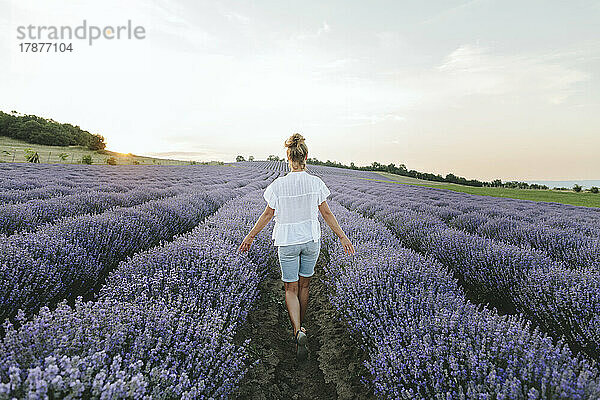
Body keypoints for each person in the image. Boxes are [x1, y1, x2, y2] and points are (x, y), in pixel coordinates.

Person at [238, 133, 355, 362]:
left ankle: (297, 330)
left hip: (287, 241)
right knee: (305, 285)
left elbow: (268, 214)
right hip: (311, 241)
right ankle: (304, 325)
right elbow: (327, 213)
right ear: (306, 156)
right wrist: (343, 237)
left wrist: (250, 236)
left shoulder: (278, 186)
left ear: (287, 158)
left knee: (290, 289)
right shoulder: (316, 183)